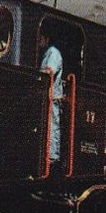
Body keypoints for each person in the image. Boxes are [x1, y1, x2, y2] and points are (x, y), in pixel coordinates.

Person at [38, 30, 65, 168]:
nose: (39, 41)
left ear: (47, 39)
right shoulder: (46, 53)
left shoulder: (54, 53)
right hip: (47, 95)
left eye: (41, 38)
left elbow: (50, 71)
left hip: (53, 95)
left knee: (53, 125)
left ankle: (53, 156)